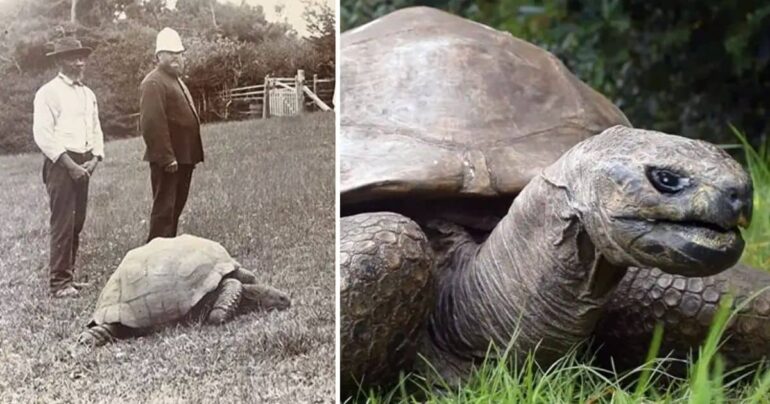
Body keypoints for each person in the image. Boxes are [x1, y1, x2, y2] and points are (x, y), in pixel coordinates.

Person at [33, 37, 105, 298]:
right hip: (61, 164)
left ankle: (69, 276)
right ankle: (59, 282)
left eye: (82, 57)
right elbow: (43, 135)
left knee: (77, 222)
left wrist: (95, 158)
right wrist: (69, 165)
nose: (80, 62)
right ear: (60, 60)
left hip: (84, 162)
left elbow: (96, 128)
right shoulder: (48, 93)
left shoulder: (88, 94)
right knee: (63, 222)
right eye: (74, 57)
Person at [139, 27, 203, 242]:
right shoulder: (154, 82)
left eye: (180, 53)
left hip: (184, 157)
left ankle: (168, 254)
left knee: (174, 210)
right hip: (169, 160)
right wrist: (167, 157)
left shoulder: (174, 79)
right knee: (164, 212)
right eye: (170, 53)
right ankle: (155, 258)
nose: (176, 57)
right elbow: (151, 124)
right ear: (159, 56)